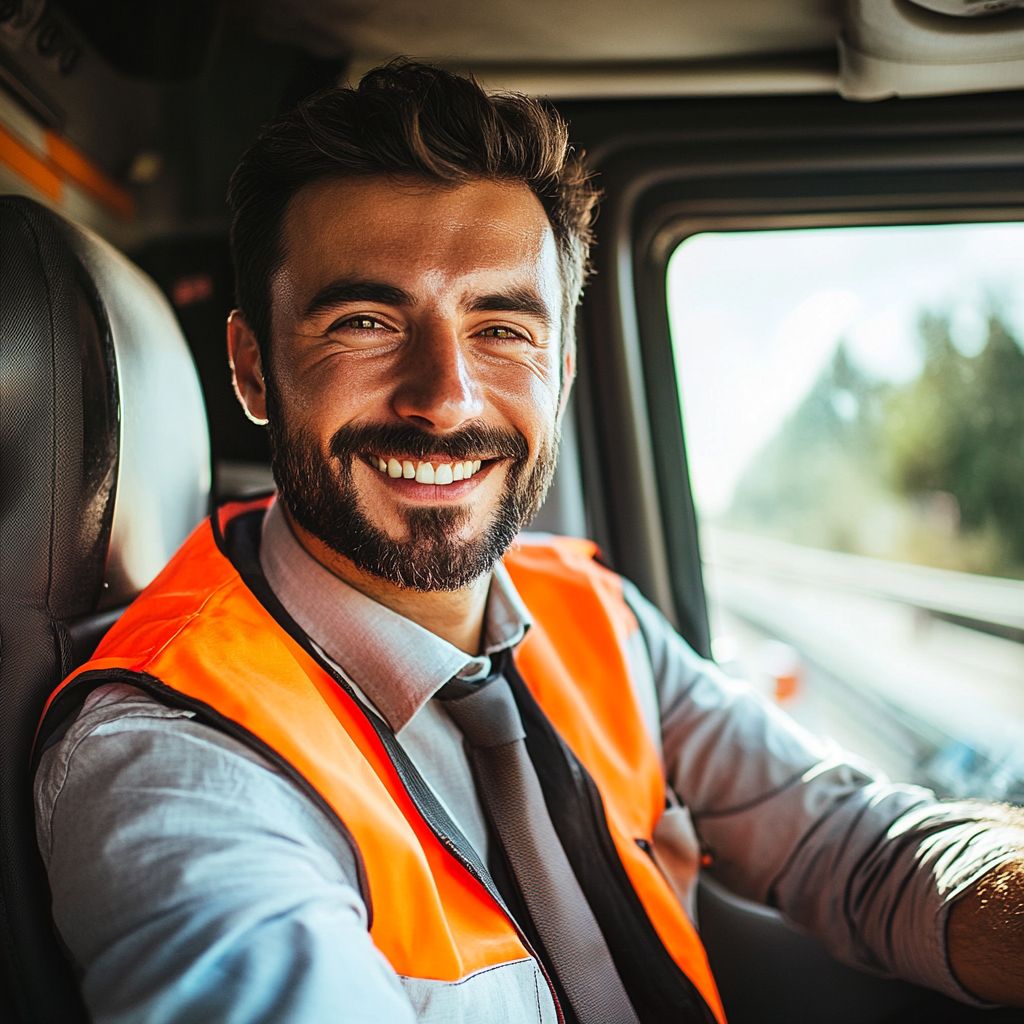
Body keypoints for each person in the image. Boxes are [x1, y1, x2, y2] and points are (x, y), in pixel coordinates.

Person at [33, 60, 1024, 1024]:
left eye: (502, 329)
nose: (443, 399)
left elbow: (845, 842)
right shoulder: (175, 753)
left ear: (559, 364)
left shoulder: (595, 613)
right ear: (252, 369)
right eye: (369, 321)